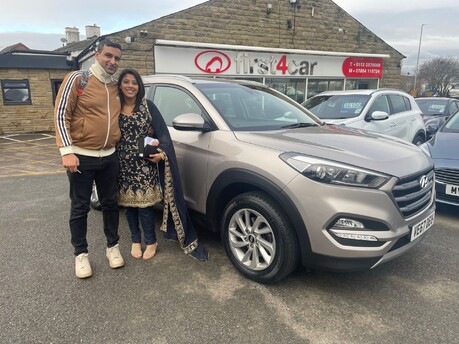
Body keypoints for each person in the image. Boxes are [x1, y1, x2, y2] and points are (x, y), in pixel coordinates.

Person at [116, 69, 209, 262]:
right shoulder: (114, 107)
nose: (130, 86)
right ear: (120, 85)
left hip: (144, 165)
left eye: (134, 82)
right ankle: (135, 240)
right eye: (126, 82)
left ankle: (150, 242)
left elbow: (163, 135)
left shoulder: (148, 106)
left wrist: (160, 154)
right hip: (122, 165)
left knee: (144, 206)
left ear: (139, 86)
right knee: (128, 205)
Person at [54, 39, 125, 279]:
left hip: (109, 156)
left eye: (116, 58)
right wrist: (67, 151)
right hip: (81, 156)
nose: (112, 61)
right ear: (97, 54)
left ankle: (112, 247)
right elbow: (61, 114)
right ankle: (81, 254)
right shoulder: (78, 79)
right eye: (108, 56)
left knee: (111, 204)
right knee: (80, 207)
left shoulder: (116, 86)